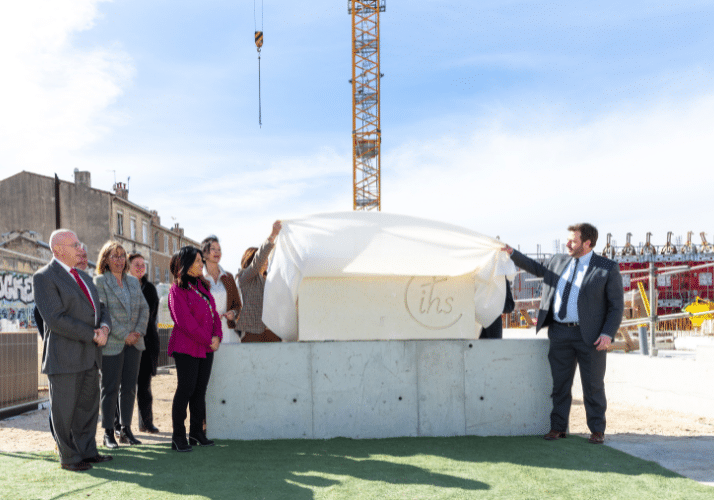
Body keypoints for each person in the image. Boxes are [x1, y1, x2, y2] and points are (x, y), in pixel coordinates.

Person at [502, 223, 624, 444]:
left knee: (593, 385)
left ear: (587, 243)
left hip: (591, 337)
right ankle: (558, 428)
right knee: (560, 385)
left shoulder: (607, 267)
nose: (567, 244)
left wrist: (607, 333)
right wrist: (512, 253)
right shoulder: (558, 261)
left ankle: (597, 430)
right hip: (559, 334)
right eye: (568, 240)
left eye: (573, 241)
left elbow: (616, 306)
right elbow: (534, 267)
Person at [32, 229, 112, 471]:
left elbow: (100, 308)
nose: (80, 248)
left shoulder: (84, 277)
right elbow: (55, 318)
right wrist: (92, 334)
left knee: (87, 408)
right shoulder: (44, 277)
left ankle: (87, 451)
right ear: (58, 250)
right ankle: (69, 457)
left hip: (90, 355)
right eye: (75, 244)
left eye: (80, 243)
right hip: (64, 357)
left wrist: (105, 327)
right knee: (64, 410)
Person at [93, 242, 149, 448]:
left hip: (135, 343)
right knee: (109, 388)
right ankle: (108, 432)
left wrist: (138, 332)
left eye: (122, 256)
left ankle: (126, 430)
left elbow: (144, 309)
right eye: (114, 256)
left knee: (129, 389)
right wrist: (125, 334)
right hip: (113, 343)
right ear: (105, 259)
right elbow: (102, 311)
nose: (119, 260)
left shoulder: (133, 283)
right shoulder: (99, 281)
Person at [168, 246, 223, 452]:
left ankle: (196, 433)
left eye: (202, 260)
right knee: (186, 390)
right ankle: (178, 437)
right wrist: (208, 339)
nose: (202, 264)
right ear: (186, 264)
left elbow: (214, 314)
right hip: (187, 347)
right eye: (198, 261)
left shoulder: (202, 286)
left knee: (200, 391)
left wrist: (217, 336)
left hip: (206, 347)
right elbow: (185, 322)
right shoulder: (177, 290)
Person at [128, 253, 161, 434]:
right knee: (125, 387)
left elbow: (152, 316)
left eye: (143, 264)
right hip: (127, 342)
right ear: (129, 266)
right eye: (136, 264)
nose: (140, 267)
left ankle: (146, 423)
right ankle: (122, 427)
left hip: (147, 343)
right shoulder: (123, 286)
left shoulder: (150, 289)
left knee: (145, 387)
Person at [235, 221, 282, 342]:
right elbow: (258, 262)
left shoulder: (268, 279)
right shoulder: (244, 277)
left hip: (272, 332)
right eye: (264, 259)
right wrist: (273, 235)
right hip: (252, 334)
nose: (266, 261)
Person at [201, 236, 242, 343]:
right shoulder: (199, 279)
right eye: (213, 249)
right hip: (207, 336)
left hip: (229, 335)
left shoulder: (228, 277)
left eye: (219, 249)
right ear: (205, 253)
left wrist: (233, 313)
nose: (217, 252)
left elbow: (237, 306)